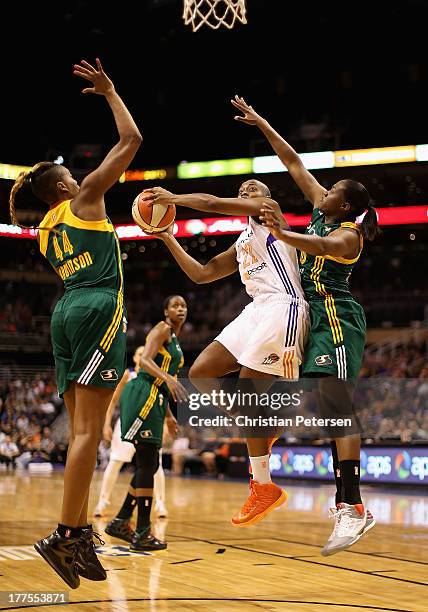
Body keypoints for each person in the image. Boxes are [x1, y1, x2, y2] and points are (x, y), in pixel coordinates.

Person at [8, 58, 142, 588]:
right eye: (68, 173)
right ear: (65, 185)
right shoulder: (84, 197)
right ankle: (66, 533)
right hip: (98, 307)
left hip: (65, 311)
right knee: (89, 431)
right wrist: (110, 91)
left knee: (82, 431)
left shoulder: (46, 226)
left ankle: (81, 531)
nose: (76, 174)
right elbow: (131, 140)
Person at [230, 96, 380, 555]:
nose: (325, 189)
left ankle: (351, 507)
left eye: (333, 188)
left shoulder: (348, 234)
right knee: (310, 401)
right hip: (311, 319)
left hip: (337, 318)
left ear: (347, 203)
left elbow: (318, 247)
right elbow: (293, 161)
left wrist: (280, 233)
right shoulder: (320, 207)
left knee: (335, 404)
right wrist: (261, 122)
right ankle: (344, 502)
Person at [144, 180, 309, 527]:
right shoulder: (243, 241)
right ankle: (263, 423)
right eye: (244, 187)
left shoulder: (269, 212)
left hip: (284, 306)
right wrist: (167, 237)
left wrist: (174, 198)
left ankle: (263, 486)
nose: (248, 188)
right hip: (256, 310)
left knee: (250, 393)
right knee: (201, 371)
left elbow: (212, 203)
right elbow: (201, 274)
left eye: (254, 186)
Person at [105, 295, 186, 551]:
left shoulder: (176, 340)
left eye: (183, 305)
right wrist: (169, 379)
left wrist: (170, 416)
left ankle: (121, 521)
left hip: (156, 399)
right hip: (142, 393)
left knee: (148, 464)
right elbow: (145, 361)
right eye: (175, 305)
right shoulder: (162, 329)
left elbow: (164, 382)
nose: (180, 309)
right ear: (165, 311)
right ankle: (141, 532)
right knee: (146, 463)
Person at [94, 345, 169, 519]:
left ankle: (160, 505)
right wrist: (106, 424)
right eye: (141, 354)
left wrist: (164, 424)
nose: (145, 356)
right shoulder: (128, 375)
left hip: (151, 425)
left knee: (156, 467)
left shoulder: (156, 377)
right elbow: (112, 402)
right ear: (135, 358)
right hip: (127, 424)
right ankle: (102, 503)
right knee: (115, 463)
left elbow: (162, 403)